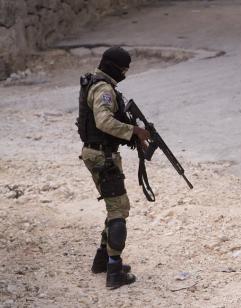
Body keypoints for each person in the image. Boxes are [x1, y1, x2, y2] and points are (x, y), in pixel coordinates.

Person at [77, 46, 150, 289]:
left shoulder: (95, 82)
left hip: (98, 153)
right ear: (114, 67)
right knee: (119, 210)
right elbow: (104, 120)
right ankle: (114, 271)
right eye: (123, 69)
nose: (125, 74)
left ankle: (102, 260)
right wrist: (134, 131)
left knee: (113, 206)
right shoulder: (103, 88)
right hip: (102, 156)